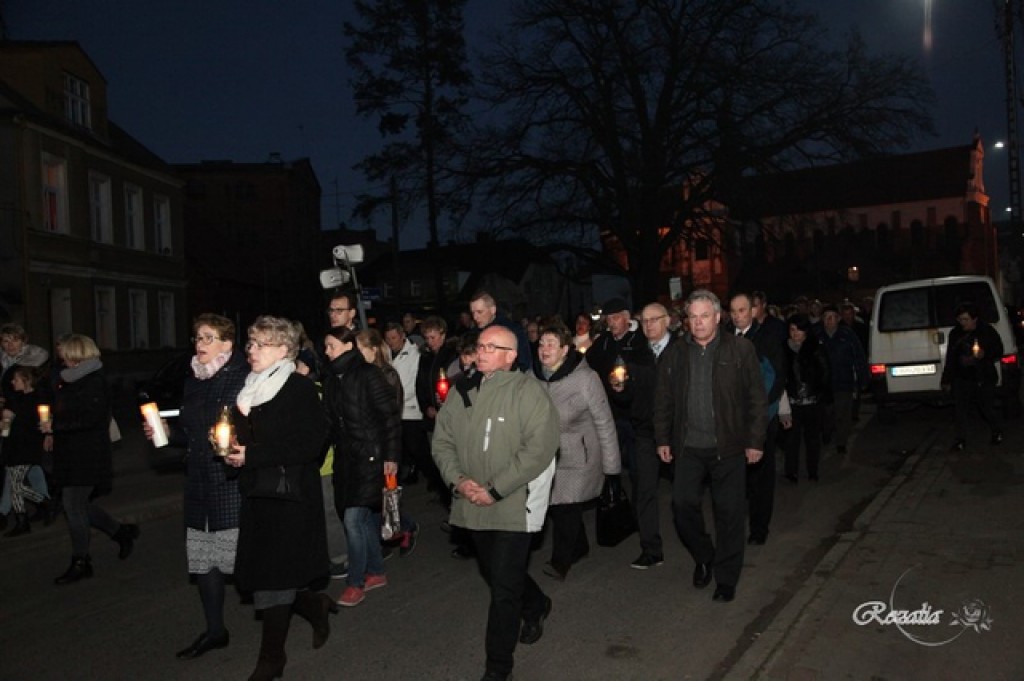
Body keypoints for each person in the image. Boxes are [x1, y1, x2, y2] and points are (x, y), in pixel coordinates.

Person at [431, 325, 560, 681]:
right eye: (480, 345)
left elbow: (539, 449)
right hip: (471, 502)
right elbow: (442, 441)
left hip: (513, 505)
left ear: (511, 355)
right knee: (499, 573)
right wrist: (459, 480)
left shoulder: (528, 392)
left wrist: (495, 489)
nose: (482, 351)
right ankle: (536, 603)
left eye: (492, 346)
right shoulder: (463, 390)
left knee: (502, 590)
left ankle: (498, 668)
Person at [224, 316, 332, 681]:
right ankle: (314, 605)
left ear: (284, 350)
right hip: (258, 495)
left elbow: (309, 444)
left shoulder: (298, 389)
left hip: (290, 498)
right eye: (250, 343)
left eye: (260, 344)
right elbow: (242, 441)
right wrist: (231, 452)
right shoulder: (249, 390)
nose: (251, 351)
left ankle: (272, 659)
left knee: (274, 578)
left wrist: (251, 456)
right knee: (269, 575)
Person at [145, 314, 249, 660]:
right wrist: (166, 433)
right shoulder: (194, 380)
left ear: (227, 344)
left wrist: (242, 444)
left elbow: (258, 428)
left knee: (245, 563)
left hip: (229, 481)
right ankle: (215, 630)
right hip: (199, 481)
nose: (199, 344)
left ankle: (307, 602)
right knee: (204, 560)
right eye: (197, 338)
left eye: (208, 338)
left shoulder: (242, 378)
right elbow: (190, 434)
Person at [653, 290, 767, 603]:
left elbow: (756, 399)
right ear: (686, 321)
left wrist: (755, 441)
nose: (699, 322)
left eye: (705, 315)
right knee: (682, 505)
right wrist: (662, 438)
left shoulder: (741, 349)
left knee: (729, 514)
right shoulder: (675, 353)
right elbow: (663, 399)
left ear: (718, 317)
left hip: (729, 447)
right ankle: (704, 555)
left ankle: (726, 578)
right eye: (693, 316)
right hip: (688, 447)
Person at [45, 334, 139, 585]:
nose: (61, 357)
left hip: (87, 454)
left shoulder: (94, 381)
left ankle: (81, 561)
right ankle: (119, 532)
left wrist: (56, 424)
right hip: (69, 452)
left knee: (73, 505)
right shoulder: (66, 379)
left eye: (65, 352)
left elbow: (91, 419)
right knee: (78, 505)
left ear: (76, 354)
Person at [532, 323, 620, 580]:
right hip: (546, 455)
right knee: (558, 506)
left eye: (551, 344)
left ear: (565, 349)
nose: (544, 349)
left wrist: (612, 469)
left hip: (580, 455)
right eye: (541, 344)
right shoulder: (532, 376)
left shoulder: (585, 378)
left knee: (565, 507)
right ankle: (579, 546)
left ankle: (561, 560)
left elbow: (604, 422)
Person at [323, 326, 401, 607]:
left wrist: (391, 456)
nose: (326, 351)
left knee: (353, 520)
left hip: (372, 458)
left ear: (347, 346)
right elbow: (329, 424)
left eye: (331, 345)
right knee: (366, 519)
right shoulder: (332, 379)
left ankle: (355, 582)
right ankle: (377, 571)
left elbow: (389, 418)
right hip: (346, 460)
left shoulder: (369, 374)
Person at [728, 292, 787, 546]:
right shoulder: (725, 340)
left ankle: (759, 528)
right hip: (733, 420)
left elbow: (778, 378)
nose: (738, 316)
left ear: (752, 311)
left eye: (742, 310)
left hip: (762, 417)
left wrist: (762, 411)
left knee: (761, 476)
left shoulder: (766, 338)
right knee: (737, 477)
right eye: (733, 311)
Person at [356, 328, 418, 557]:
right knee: (375, 496)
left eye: (359, 349)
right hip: (369, 445)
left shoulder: (387, 374)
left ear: (373, 350)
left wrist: (389, 449)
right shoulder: (362, 374)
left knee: (387, 496)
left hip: (385, 445)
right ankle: (384, 537)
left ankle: (406, 527)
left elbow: (391, 415)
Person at [584, 297, 655, 478]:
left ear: (626, 318)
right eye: (608, 319)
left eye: (615, 318)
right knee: (611, 460)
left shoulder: (640, 339)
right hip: (610, 410)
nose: (611, 323)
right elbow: (588, 363)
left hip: (634, 412)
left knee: (636, 462)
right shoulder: (605, 341)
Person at [629, 302, 677, 569]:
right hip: (646, 432)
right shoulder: (636, 353)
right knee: (644, 491)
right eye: (644, 320)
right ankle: (651, 549)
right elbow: (627, 394)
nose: (648, 325)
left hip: (677, 431)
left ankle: (699, 546)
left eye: (654, 320)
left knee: (684, 495)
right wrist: (619, 387)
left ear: (667, 320)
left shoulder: (681, 350)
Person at [941, 302, 1004, 450]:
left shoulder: (987, 331)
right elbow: (950, 357)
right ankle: (960, 440)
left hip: (983, 376)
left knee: (986, 407)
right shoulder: (955, 333)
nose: (962, 323)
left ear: (974, 319)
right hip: (962, 377)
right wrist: (946, 378)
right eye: (960, 319)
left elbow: (998, 351)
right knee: (960, 410)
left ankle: (996, 431)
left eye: (966, 319)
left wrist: (984, 354)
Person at [2, 366, 53, 536]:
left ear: (27, 381)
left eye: (16, 379)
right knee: (14, 486)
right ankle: (22, 520)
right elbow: (5, 429)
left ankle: (45, 503)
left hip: (27, 446)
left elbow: (45, 422)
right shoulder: (15, 399)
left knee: (16, 485)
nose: (12, 382)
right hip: (14, 446)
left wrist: (48, 434)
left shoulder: (38, 399)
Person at [415, 315, 460, 504]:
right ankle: (444, 495)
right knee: (437, 457)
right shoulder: (425, 358)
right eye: (427, 338)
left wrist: (445, 407)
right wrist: (426, 406)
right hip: (433, 417)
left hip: (450, 416)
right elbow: (420, 385)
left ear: (443, 335)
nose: (430, 342)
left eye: (433, 337)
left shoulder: (452, 356)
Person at [782, 314, 831, 482]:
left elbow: (825, 372)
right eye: (792, 329)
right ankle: (791, 472)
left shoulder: (815, 348)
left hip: (812, 401)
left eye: (799, 329)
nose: (795, 333)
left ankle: (812, 470)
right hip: (792, 402)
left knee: (812, 439)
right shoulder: (784, 350)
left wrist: (818, 392)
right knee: (791, 440)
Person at [816, 305, 868, 455]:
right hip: (824, 384)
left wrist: (862, 378)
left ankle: (841, 442)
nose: (829, 320)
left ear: (838, 319)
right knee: (827, 413)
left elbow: (858, 356)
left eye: (832, 317)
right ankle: (826, 433)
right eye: (826, 317)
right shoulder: (817, 336)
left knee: (843, 414)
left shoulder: (847, 335)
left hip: (844, 381)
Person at [384, 322, 428, 485]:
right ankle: (411, 473)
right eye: (387, 338)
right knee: (403, 448)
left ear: (402, 336)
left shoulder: (414, 354)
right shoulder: (387, 354)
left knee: (417, 448)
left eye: (394, 338)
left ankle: (434, 478)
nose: (390, 342)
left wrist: (397, 400)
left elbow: (411, 384)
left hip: (410, 409)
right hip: (395, 409)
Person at [469, 290, 532, 372]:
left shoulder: (512, 330)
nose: (475, 317)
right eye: (473, 313)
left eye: (479, 312)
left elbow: (524, 362)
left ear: (493, 310)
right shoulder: (473, 333)